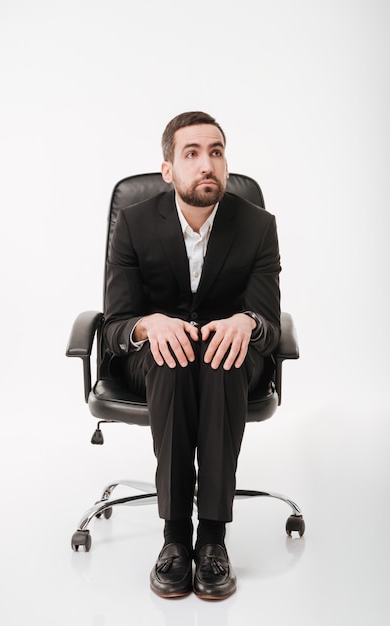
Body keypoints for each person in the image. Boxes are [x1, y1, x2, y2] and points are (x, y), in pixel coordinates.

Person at [104, 111, 281, 600]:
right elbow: (115, 324)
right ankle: (176, 537)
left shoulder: (258, 226)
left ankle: (213, 540)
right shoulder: (134, 223)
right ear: (168, 170)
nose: (208, 164)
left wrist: (247, 323)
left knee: (221, 359)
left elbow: (268, 324)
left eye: (217, 152)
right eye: (192, 153)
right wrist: (148, 323)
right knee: (172, 358)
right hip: (154, 359)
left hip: (232, 357)